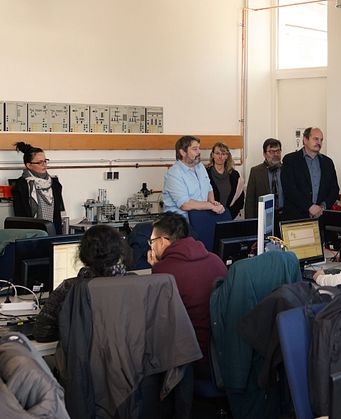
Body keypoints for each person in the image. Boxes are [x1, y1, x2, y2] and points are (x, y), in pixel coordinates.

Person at [147, 212, 228, 379]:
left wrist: (156, 269)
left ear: (162, 241)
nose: (151, 247)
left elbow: (158, 323)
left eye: (152, 242)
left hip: (193, 359)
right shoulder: (215, 259)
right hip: (223, 353)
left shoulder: (164, 272)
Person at [33, 225, 130, 342]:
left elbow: (41, 332)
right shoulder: (134, 284)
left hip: (84, 359)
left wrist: (71, 332)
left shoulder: (70, 288)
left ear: (83, 255)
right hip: (128, 358)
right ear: (120, 253)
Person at [281, 127, 340, 221]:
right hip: (296, 218)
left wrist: (322, 207)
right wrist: (309, 207)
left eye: (321, 140)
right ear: (305, 139)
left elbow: (334, 189)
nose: (319, 142)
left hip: (320, 217)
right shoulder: (290, 160)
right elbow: (289, 189)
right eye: (315, 139)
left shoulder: (327, 162)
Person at [162, 135, 225, 218]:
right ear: (183, 152)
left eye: (199, 148)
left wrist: (212, 202)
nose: (199, 152)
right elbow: (185, 204)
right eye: (195, 149)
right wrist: (210, 206)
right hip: (180, 225)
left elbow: (209, 188)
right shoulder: (174, 174)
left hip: (200, 218)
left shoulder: (200, 167)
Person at [11, 142, 65, 234]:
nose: (44, 165)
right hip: (31, 235)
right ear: (28, 165)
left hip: (52, 233)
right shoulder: (21, 186)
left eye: (45, 161)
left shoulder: (55, 185)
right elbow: (20, 219)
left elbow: (57, 216)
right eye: (40, 162)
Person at [244, 138, 283, 219]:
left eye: (278, 151)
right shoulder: (256, 171)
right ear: (264, 154)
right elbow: (250, 200)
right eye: (271, 152)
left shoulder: (287, 169)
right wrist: (249, 222)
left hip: (284, 215)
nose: (275, 154)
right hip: (264, 216)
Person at [206, 142, 245, 219]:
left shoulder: (234, 174)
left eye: (223, 154)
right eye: (217, 153)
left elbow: (240, 200)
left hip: (230, 217)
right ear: (212, 155)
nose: (220, 157)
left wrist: (229, 214)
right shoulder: (205, 174)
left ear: (227, 156)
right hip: (210, 217)